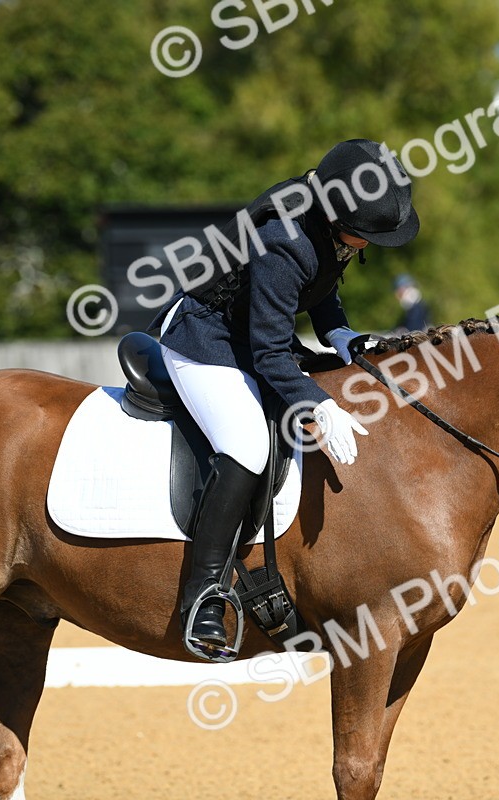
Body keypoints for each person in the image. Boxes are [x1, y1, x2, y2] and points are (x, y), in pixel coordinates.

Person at [149, 139, 420, 657]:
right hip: (204, 344)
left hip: (253, 338)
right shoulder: (285, 237)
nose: (366, 246)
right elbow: (272, 353)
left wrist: (339, 334)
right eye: (364, 236)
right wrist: (318, 405)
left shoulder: (325, 220)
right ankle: (202, 594)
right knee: (248, 443)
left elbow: (321, 284)